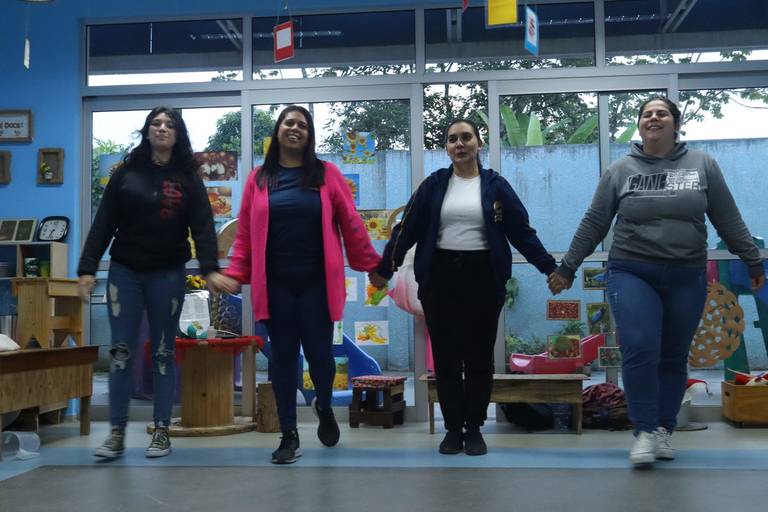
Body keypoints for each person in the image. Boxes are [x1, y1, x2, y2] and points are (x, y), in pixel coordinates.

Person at [547, 96, 766, 467]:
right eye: (647, 114)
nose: (653, 118)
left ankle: (663, 428)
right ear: (640, 125)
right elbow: (595, 221)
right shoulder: (621, 170)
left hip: (686, 274)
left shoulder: (703, 165)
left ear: (675, 124)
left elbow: (727, 217)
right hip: (632, 270)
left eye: (661, 113)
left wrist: (752, 259)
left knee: (673, 355)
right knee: (640, 345)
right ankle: (644, 431)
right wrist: (568, 267)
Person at [369, 119, 557, 456]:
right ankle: (453, 428)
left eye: (466, 137)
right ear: (447, 147)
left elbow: (521, 232)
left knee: (479, 358)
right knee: (446, 358)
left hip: (483, 277)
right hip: (440, 277)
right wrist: (385, 268)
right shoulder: (434, 185)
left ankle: (474, 428)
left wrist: (549, 268)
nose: (459, 144)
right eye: (453, 139)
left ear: (478, 143)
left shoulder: (496, 186)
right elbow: (406, 229)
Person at [217, 105, 381, 465]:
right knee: (283, 358)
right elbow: (245, 233)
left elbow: (351, 223)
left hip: (316, 284)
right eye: (288, 123)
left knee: (321, 356)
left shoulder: (326, 174)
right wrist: (236, 272)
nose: (295, 128)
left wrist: (372, 264)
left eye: (302, 125)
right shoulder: (259, 178)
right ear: (278, 131)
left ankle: (324, 404)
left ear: (309, 135)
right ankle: (288, 435)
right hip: (275, 285)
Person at [78, 107, 230, 459]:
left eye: (169, 124)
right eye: (156, 123)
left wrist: (209, 268)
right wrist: (87, 268)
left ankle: (162, 431)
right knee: (121, 351)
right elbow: (104, 222)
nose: (162, 128)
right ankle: (116, 434)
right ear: (147, 131)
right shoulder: (126, 172)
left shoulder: (187, 176)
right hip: (125, 273)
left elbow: (203, 225)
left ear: (177, 134)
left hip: (168, 274)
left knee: (163, 351)